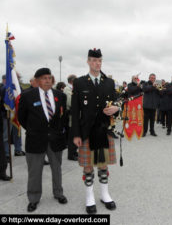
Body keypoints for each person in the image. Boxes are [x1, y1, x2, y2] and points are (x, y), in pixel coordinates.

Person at [71, 48, 119, 214]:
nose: (96, 63)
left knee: (103, 164)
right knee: (88, 166)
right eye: (93, 60)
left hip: (104, 130)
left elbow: (117, 101)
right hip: (86, 131)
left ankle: (105, 194)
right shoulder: (79, 82)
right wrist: (76, 134)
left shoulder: (109, 82)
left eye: (99, 60)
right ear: (88, 61)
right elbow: (75, 111)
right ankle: (89, 197)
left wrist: (116, 107)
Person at [18, 68, 68, 212]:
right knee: (34, 171)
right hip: (35, 139)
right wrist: (33, 129)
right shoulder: (27, 96)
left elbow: (63, 117)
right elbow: (22, 117)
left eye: (49, 78)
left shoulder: (60, 95)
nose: (47, 80)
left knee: (57, 168)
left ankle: (58, 193)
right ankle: (33, 198)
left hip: (55, 139)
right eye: (44, 78)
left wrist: (58, 131)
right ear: (37, 80)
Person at [63, 75, 78, 161]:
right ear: (72, 81)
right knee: (72, 135)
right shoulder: (67, 89)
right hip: (71, 115)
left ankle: (74, 151)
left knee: (76, 134)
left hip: (75, 115)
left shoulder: (73, 89)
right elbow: (70, 102)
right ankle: (71, 154)